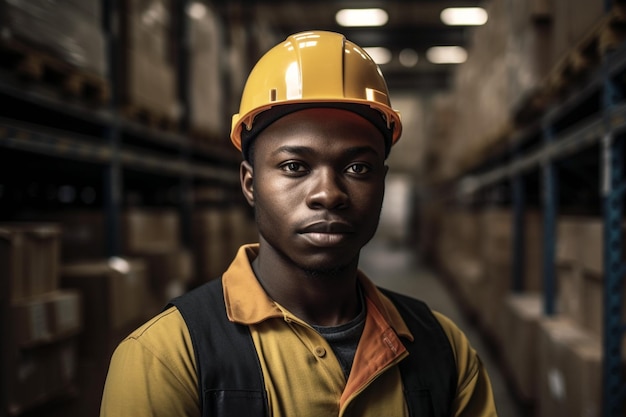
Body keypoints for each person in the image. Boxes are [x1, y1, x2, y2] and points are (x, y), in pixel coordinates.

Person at [100, 30, 498, 417]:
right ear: (251, 184)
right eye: (295, 166)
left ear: (381, 183)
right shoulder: (166, 360)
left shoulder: (446, 351)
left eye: (358, 167)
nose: (328, 193)